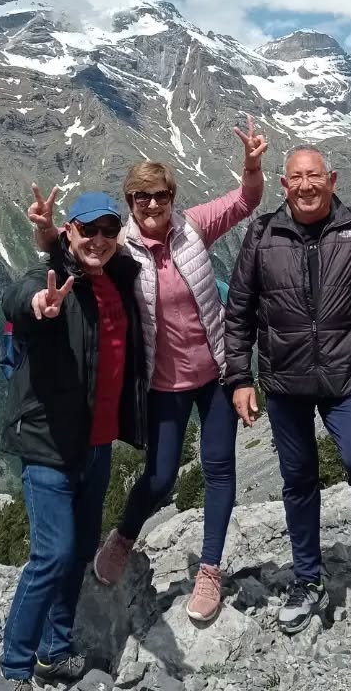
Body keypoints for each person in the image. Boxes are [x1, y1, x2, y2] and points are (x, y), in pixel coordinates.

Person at [30, 118, 268, 622]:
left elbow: (246, 201)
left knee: (219, 468)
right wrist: (48, 232)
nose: (153, 204)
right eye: (142, 197)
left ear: (172, 197)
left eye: (161, 195)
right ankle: (124, 536)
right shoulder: (120, 247)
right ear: (131, 202)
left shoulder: (194, 227)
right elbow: (75, 253)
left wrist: (251, 165)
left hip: (217, 374)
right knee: (159, 478)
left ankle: (210, 569)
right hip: (163, 384)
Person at [222, 145, 351, 634]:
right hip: (285, 381)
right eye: (296, 177)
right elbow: (239, 309)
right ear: (284, 184)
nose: (306, 185)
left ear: (331, 180)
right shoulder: (263, 233)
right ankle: (308, 578)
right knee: (298, 481)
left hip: (343, 378)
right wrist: (239, 377)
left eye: (314, 176)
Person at [0, 191, 147, 691]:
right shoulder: (52, 278)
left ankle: (54, 651)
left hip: (96, 448)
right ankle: (12, 669)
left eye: (108, 230)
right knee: (52, 555)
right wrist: (38, 304)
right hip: (49, 447)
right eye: (88, 230)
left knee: (79, 550)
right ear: (70, 232)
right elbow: (17, 297)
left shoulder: (117, 276)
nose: (98, 239)